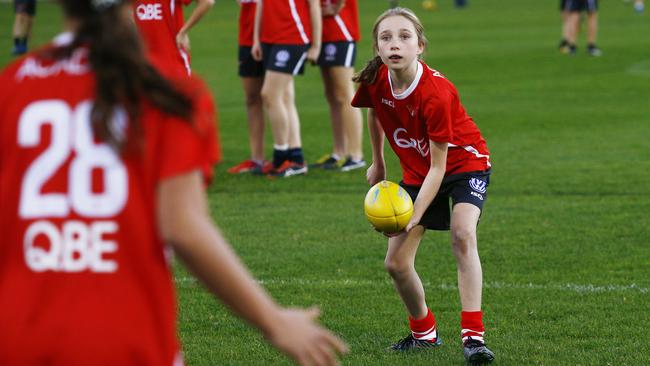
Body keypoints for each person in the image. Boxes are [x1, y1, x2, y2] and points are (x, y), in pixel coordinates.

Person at [0, 1, 348, 365]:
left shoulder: (11, 87)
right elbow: (183, 227)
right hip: (128, 338)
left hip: (19, 337)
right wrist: (273, 321)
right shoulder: (168, 91)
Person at [351, 7, 494, 365]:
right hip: (418, 170)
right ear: (377, 47)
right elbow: (374, 111)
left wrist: (414, 215)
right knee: (396, 264)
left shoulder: (436, 94)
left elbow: (440, 167)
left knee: (462, 234)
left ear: (420, 47)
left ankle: (473, 338)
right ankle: (424, 334)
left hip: (463, 164)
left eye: (404, 37)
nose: (394, 44)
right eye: (386, 38)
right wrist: (379, 161)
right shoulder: (375, 79)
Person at [252, 0, 322, 177]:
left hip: (292, 36)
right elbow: (261, 5)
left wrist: (316, 45)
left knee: (269, 94)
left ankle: (280, 155)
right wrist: (256, 40)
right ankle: (296, 158)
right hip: (270, 39)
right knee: (284, 97)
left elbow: (314, 5)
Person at [311, 0, 365, 172]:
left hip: (340, 30)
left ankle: (356, 155)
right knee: (332, 95)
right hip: (323, 32)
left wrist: (337, 5)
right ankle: (339, 152)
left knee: (345, 94)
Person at [228, 0, 273, 175]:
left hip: (277, 35)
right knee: (251, 97)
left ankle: (285, 156)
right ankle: (257, 159)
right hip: (247, 34)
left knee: (276, 96)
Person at [133, 0, 214, 77]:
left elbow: (207, 2)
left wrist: (183, 32)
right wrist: (183, 32)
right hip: (152, 66)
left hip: (167, 66)